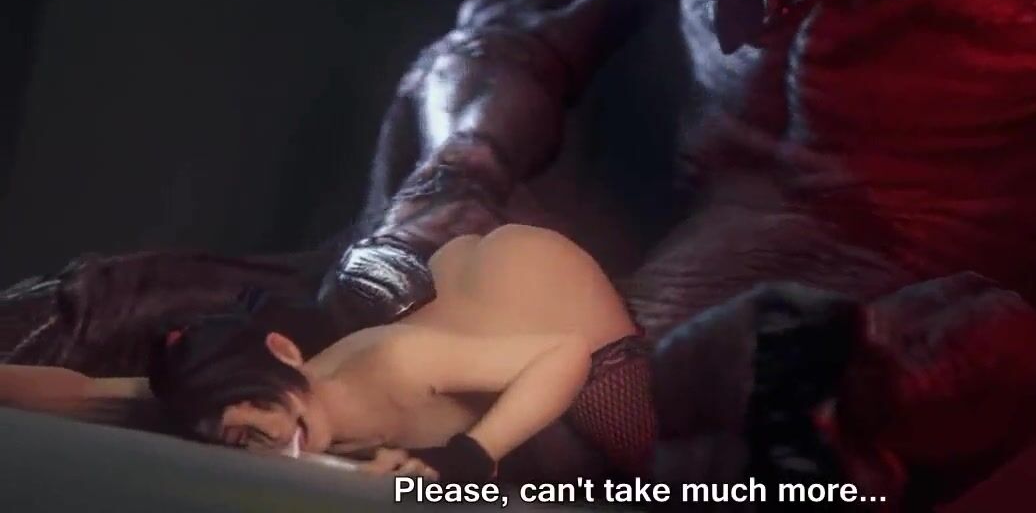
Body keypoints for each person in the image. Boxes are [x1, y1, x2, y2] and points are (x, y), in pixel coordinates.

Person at [0, 224, 656, 481]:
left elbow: (564, 354)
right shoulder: (220, 406)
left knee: (632, 458)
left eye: (261, 411)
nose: (267, 438)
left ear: (286, 355)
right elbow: (87, 393)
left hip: (545, 289)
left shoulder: (397, 367)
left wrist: (465, 457)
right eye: (239, 438)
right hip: (453, 280)